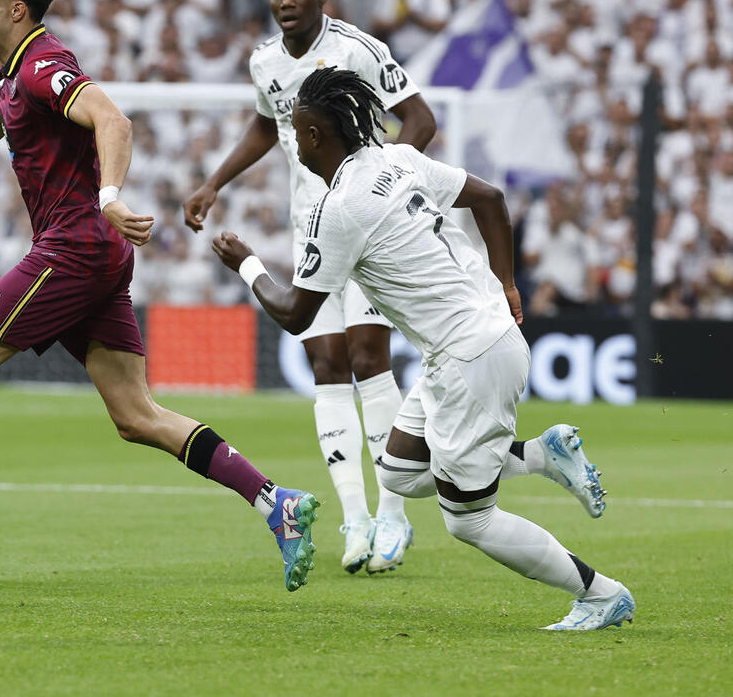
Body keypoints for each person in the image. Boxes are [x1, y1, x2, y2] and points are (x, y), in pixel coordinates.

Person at [0, 0, 321, 591]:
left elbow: (112, 118)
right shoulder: (14, 75)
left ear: (17, 10)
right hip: (91, 254)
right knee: (136, 415)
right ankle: (276, 503)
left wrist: (111, 195)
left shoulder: (43, 64)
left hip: (73, 246)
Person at [213, 68, 632, 630]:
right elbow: (490, 198)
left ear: (315, 135)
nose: (291, 140)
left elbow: (295, 314)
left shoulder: (337, 209)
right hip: (477, 342)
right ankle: (541, 455)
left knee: (470, 521)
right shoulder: (398, 159)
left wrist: (247, 263)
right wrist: (507, 283)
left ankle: (600, 594)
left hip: (469, 358)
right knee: (400, 473)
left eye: (295, 129)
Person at [183, 0, 437, 575]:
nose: (287, 3)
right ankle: (354, 518)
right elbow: (268, 127)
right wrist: (215, 182)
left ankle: (393, 518)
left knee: (367, 356)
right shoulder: (264, 61)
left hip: (373, 229)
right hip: (312, 231)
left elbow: (420, 119)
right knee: (325, 363)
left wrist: (385, 178)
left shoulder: (359, 50)